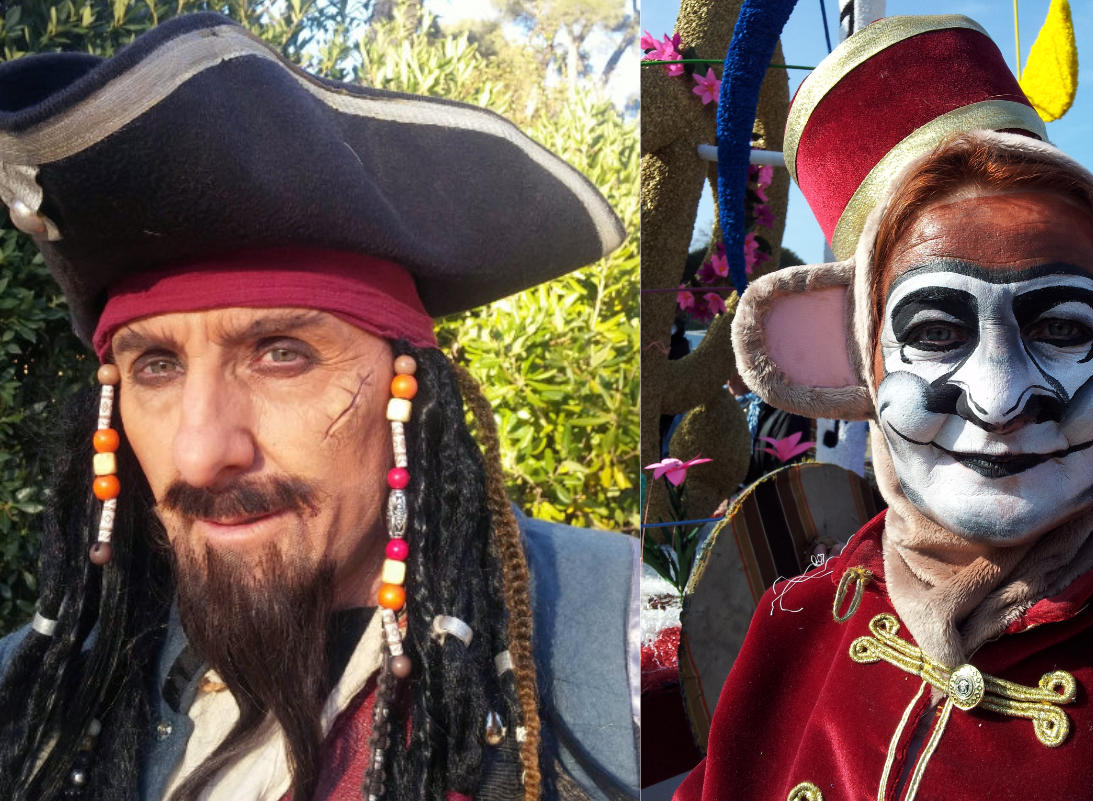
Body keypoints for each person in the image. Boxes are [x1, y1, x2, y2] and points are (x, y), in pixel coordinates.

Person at [0, 14, 640, 801]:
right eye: (157, 365)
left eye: (282, 353)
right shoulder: (36, 696)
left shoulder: (618, 637)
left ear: (412, 390)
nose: (201, 452)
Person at [678, 14, 1093, 800]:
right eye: (933, 330)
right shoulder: (790, 625)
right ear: (851, 364)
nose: (999, 398)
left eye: (1062, 327)